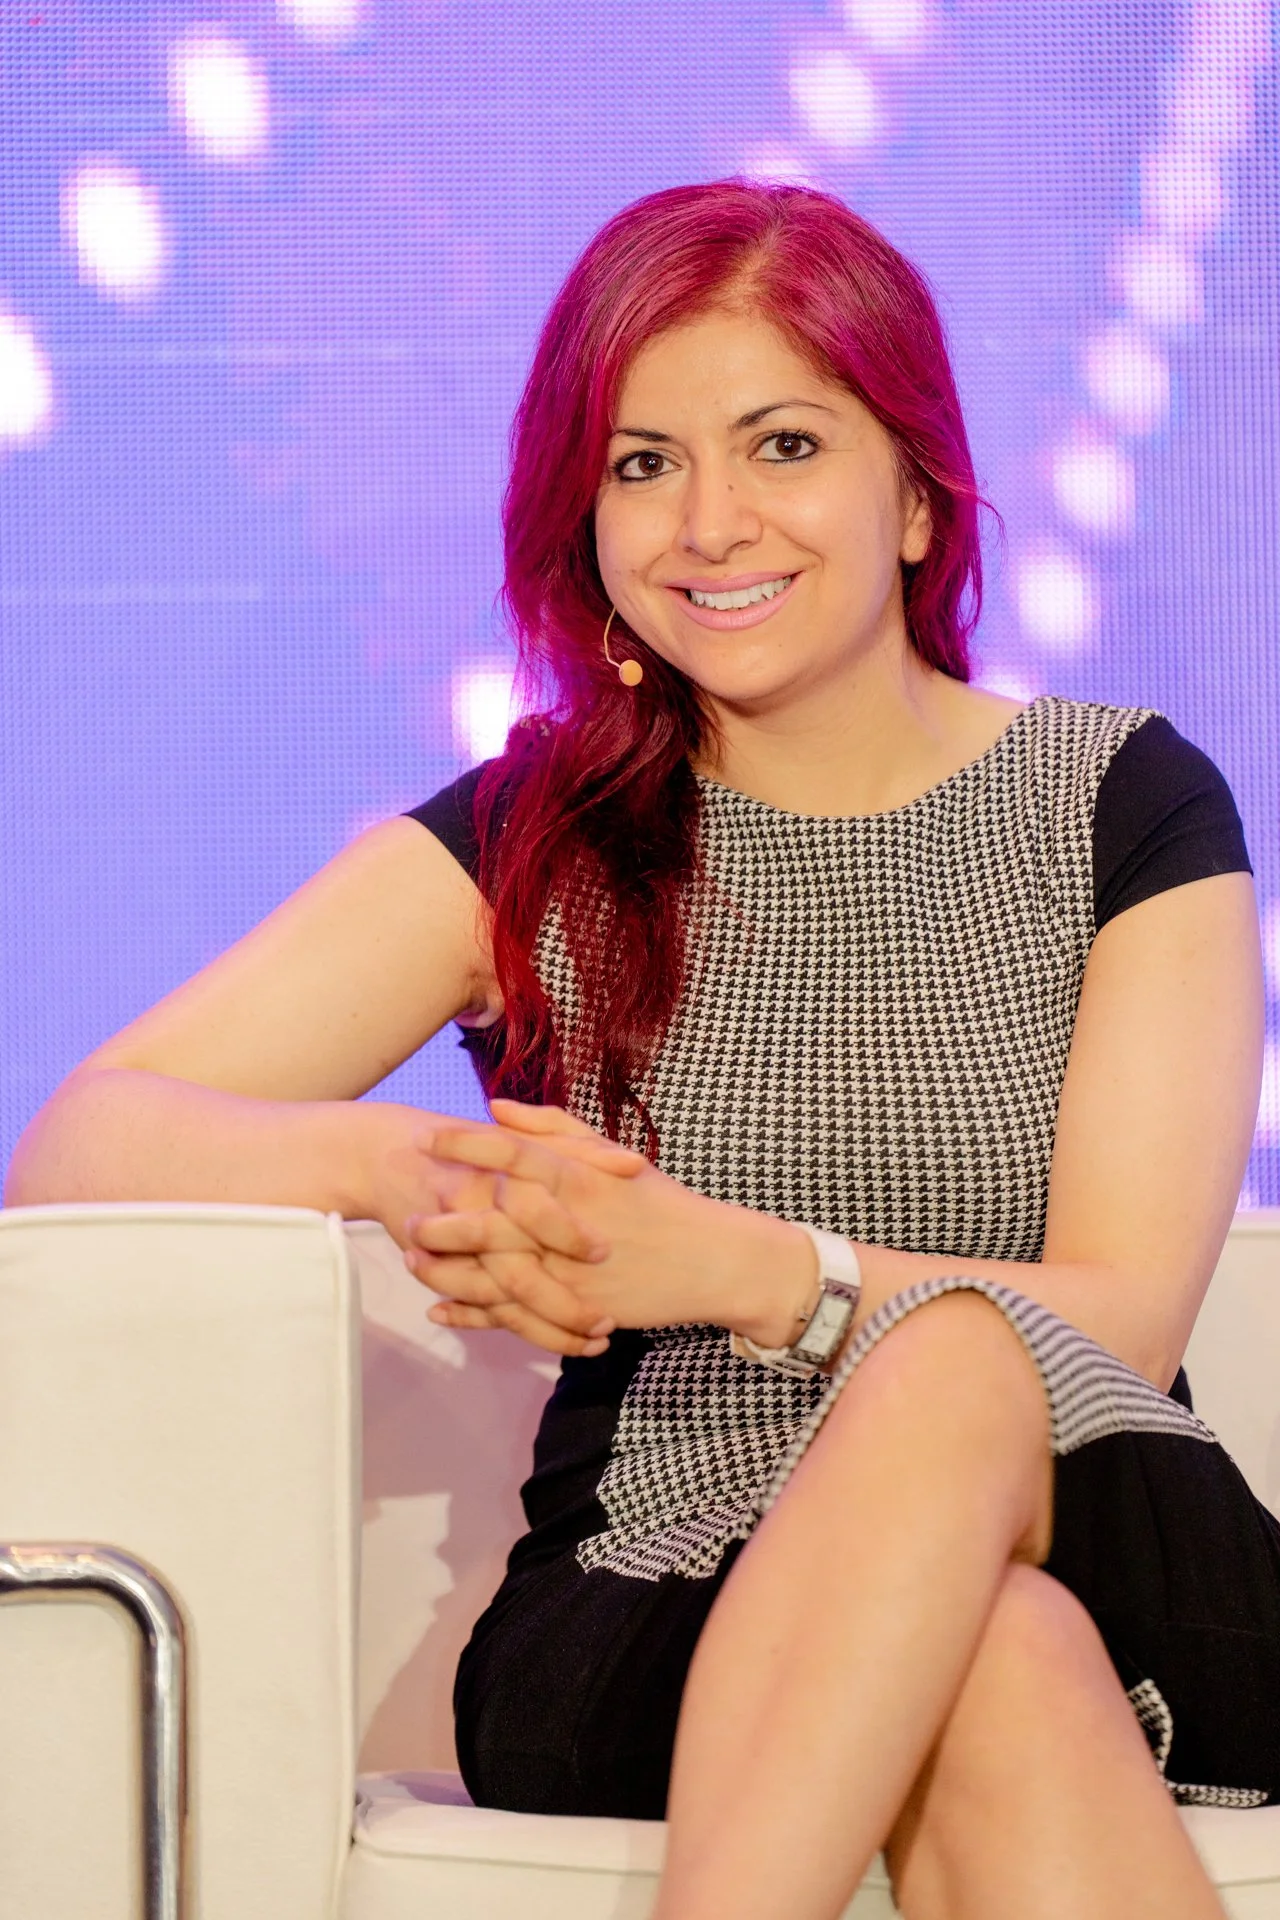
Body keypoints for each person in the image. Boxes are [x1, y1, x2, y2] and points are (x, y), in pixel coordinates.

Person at [6, 180, 1274, 1919]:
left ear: (917, 495)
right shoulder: (537, 839)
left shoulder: (1122, 801)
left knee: (963, 1367)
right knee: (998, 1658)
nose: (710, 522)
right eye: (643, 464)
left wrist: (740, 1271)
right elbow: (80, 1143)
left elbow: (1122, 1316)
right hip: (662, 1583)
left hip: (1114, 1527)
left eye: (783, 445)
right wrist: (412, 1168)